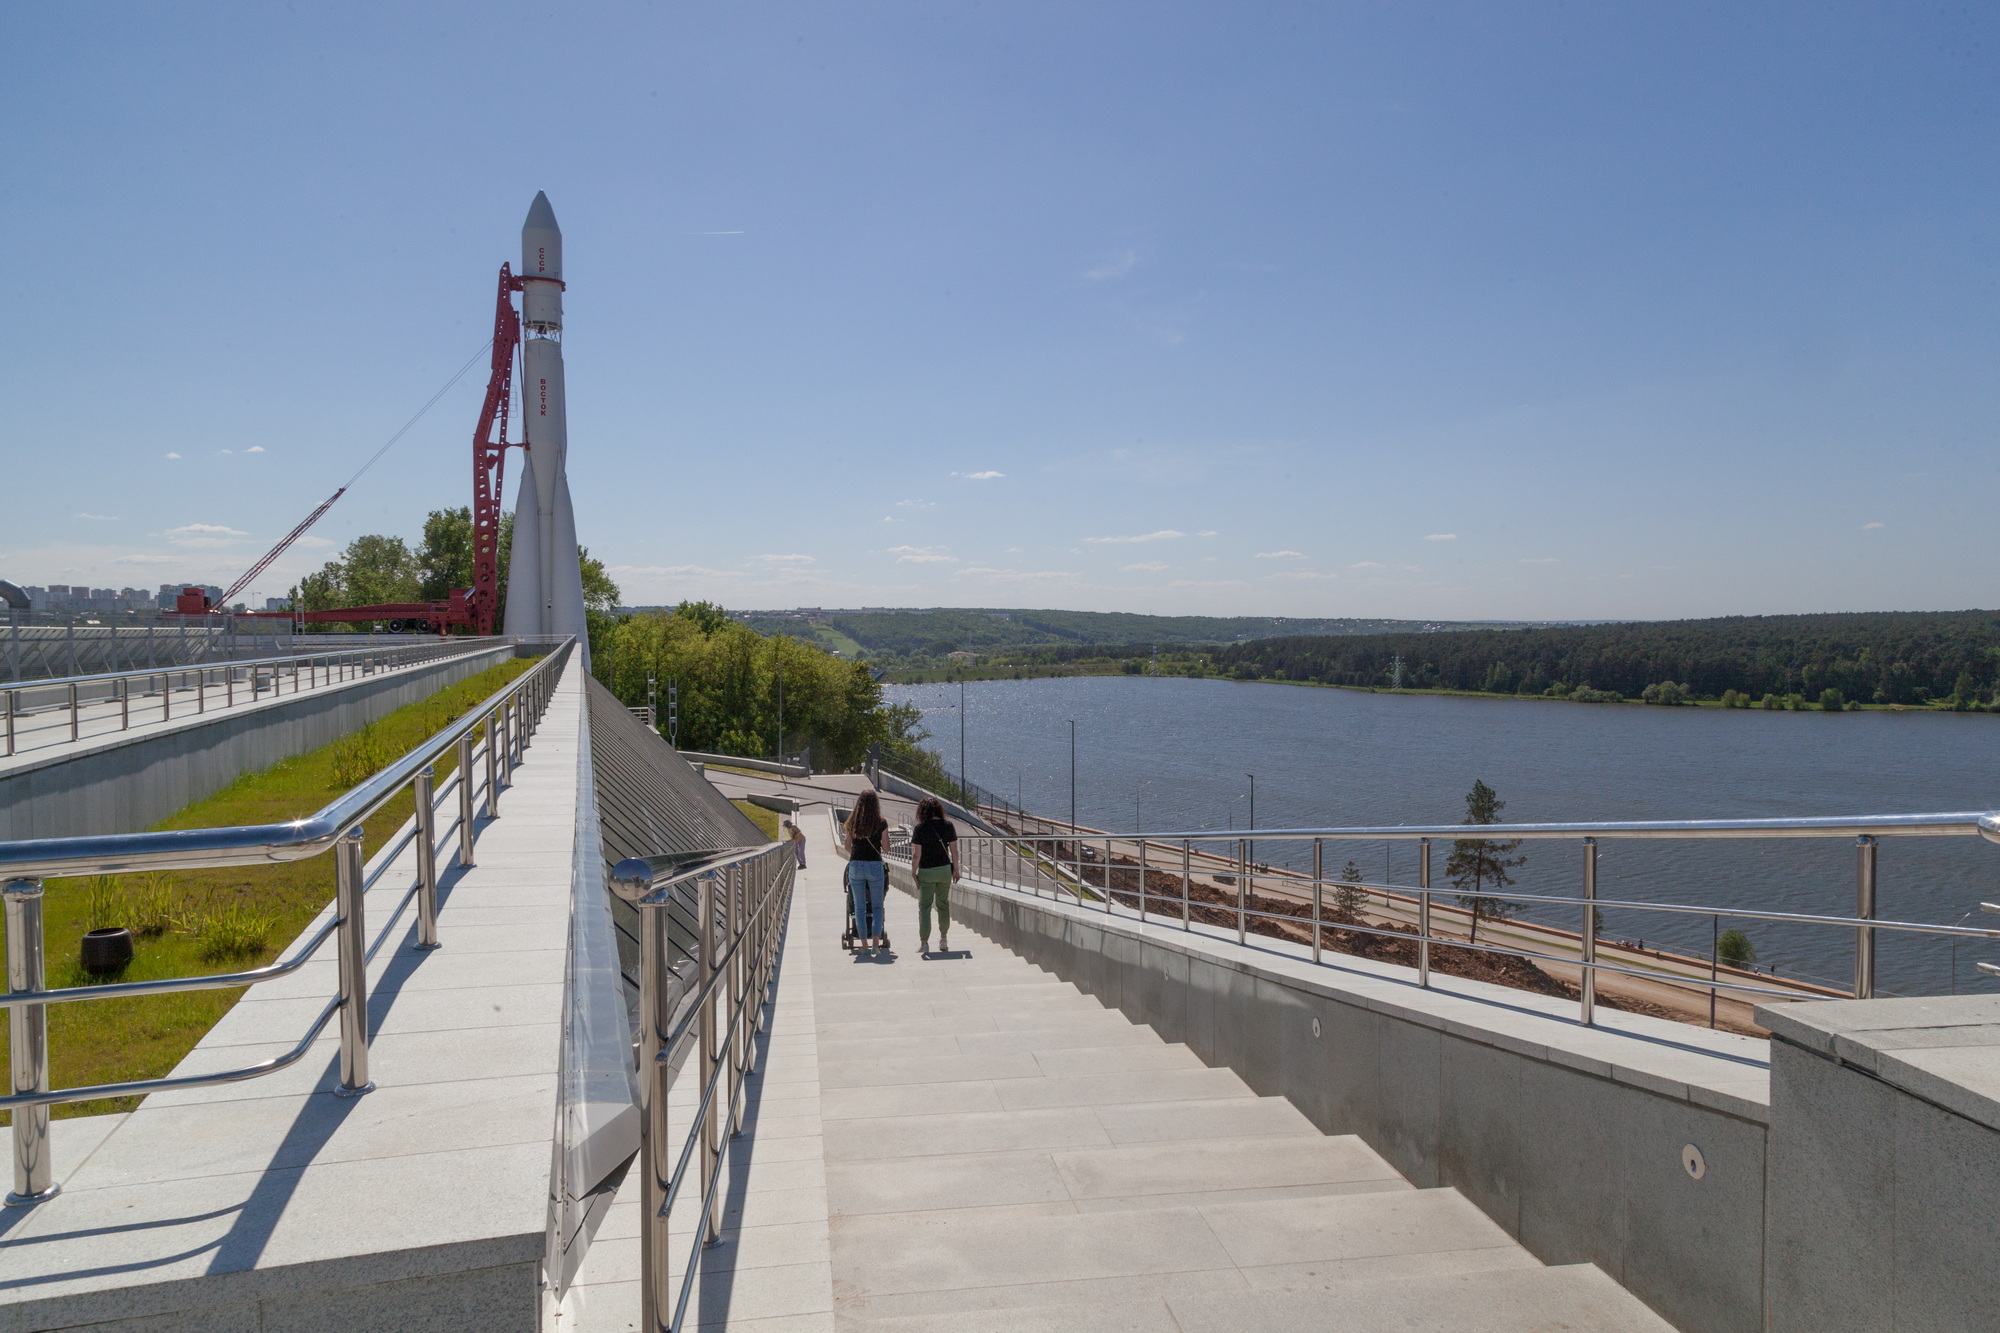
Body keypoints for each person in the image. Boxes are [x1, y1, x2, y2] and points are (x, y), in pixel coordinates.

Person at [910, 796, 958, 954]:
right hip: (944, 870)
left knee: (924, 907)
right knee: (943, 904)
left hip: (927, 871)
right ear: (939, 809)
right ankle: (943, 939)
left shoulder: (920, 828)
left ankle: (924, 943)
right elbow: (954, 851)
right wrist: (956, 870)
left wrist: (913, 871)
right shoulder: (948, 825)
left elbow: (917, 855)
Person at [845, 790, 890, 949]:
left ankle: (863, 944)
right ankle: (876, 943)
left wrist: (858, 856)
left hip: (856, 865)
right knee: (877, 906)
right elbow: (886, 848)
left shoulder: (852, 822)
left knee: (859, 906)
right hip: (875, 866)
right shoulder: (881, 822)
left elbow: (847, 846)